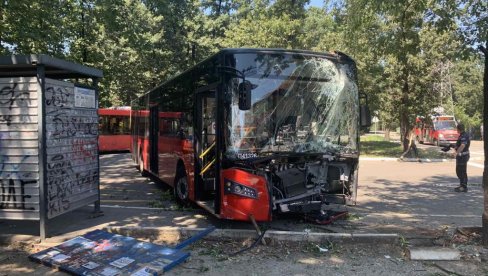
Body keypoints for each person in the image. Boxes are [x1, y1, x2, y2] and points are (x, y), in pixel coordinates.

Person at [453, 123, 470, 192]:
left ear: (459, 129)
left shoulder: (464, 135)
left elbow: (462, 145)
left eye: (457, 129)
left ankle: (464, 187)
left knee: (462, 171)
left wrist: (456, 153)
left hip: (463, 156)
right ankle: (461, 185)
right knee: (459, 171)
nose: (456, 130)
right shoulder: (462, 135)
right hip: (460, 157)